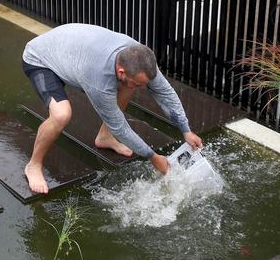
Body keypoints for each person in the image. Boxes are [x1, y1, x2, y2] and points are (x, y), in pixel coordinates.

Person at [21, 23, 203, 194]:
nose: (141, 88)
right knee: (61, 114)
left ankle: (104, 137)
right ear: (121, 71)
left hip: (69, 52)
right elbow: (119, 126)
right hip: (41, 59)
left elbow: (164, 92)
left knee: (127, 86)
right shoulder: (98, 78)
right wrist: (153, 156)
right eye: (138, 83)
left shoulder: (139, 58)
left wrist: (185, 129)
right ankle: (33, 165)